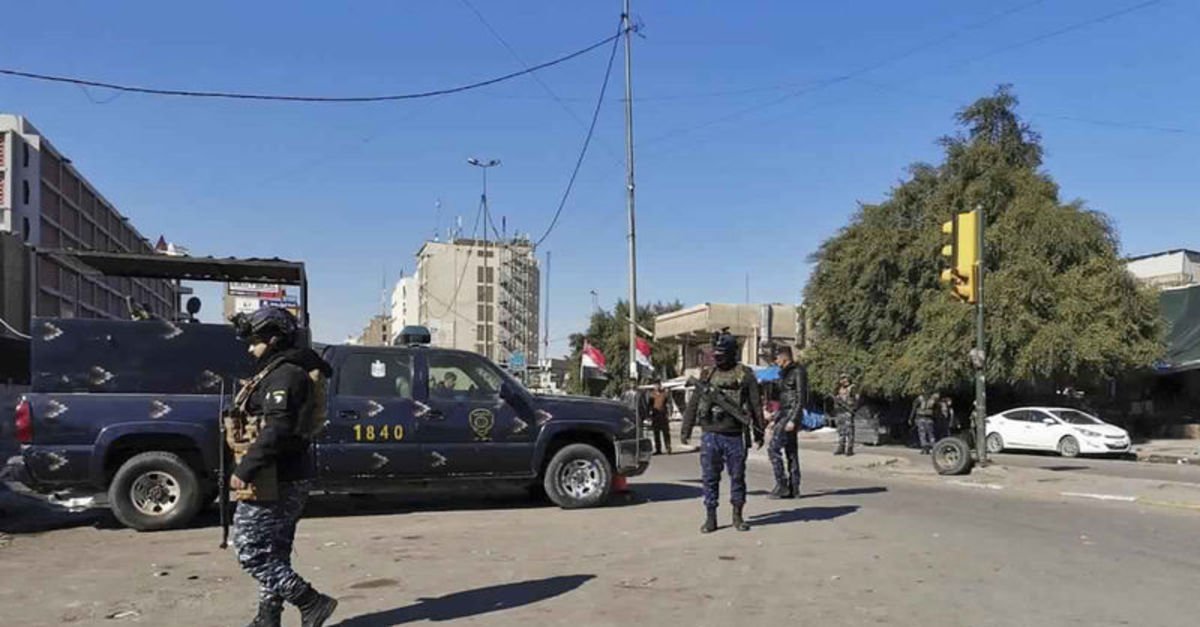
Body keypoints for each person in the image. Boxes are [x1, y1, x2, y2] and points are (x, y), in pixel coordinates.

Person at [229, 307, 338, 627]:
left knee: (250, 550)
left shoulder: (286, 374)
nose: (250, 349)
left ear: (274, 339)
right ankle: (268, 617)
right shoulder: (279, 370)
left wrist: (245, 470)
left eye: (255, 341)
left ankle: (311, 601)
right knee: (275, 551)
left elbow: (278, 428)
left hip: (276, 477)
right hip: (283, 474)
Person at [682, 330, 765, 534]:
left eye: (722, 353)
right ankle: (711, 517)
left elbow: (755, 404)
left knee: (737, 477)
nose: (718, 357)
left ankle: (737, 516)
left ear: (731, 352)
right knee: (710, 478)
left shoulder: (745, 374)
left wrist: (759, 432)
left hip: (734, 435)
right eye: (716, 353)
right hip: (711, 434)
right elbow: (694, 403)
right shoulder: (707, 374)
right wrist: (686, 429)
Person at [768, 345, 806, 499]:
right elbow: (783, 399)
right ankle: (794, 487)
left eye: (777, 358)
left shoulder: (797, 371)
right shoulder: (784, 373)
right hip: (784, 414)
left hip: (790, 416)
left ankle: (782, 485)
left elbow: (801, 397)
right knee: (791, 451)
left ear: (784, 357)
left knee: (773, 449)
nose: (776, 361)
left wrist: (793, 419)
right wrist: (775, 417)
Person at [833, 373, 859, 456]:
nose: (844, 380)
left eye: (846, 378)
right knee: (841, 430)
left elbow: (856, 400)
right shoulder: (838, 388)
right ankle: (841, 447)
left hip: (848, 411)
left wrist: (853, 408)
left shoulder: (852, 388)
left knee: (849, 431)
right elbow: (835, 397)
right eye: (842, 379)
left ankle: (849, 449)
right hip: (839, 412)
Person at [649, 380, 673, 455]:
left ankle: (668, 447)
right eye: (655, 385)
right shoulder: (651, 395)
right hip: (655, 416)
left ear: (660, 385)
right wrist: (649, 415)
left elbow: (669, 404)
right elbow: (649, 405)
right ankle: (658, 449)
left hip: (663, 416)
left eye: (658, 385)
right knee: (656, 434)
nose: (657, 387)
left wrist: (669, 414)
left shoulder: (664, 394)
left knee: (666, 433)